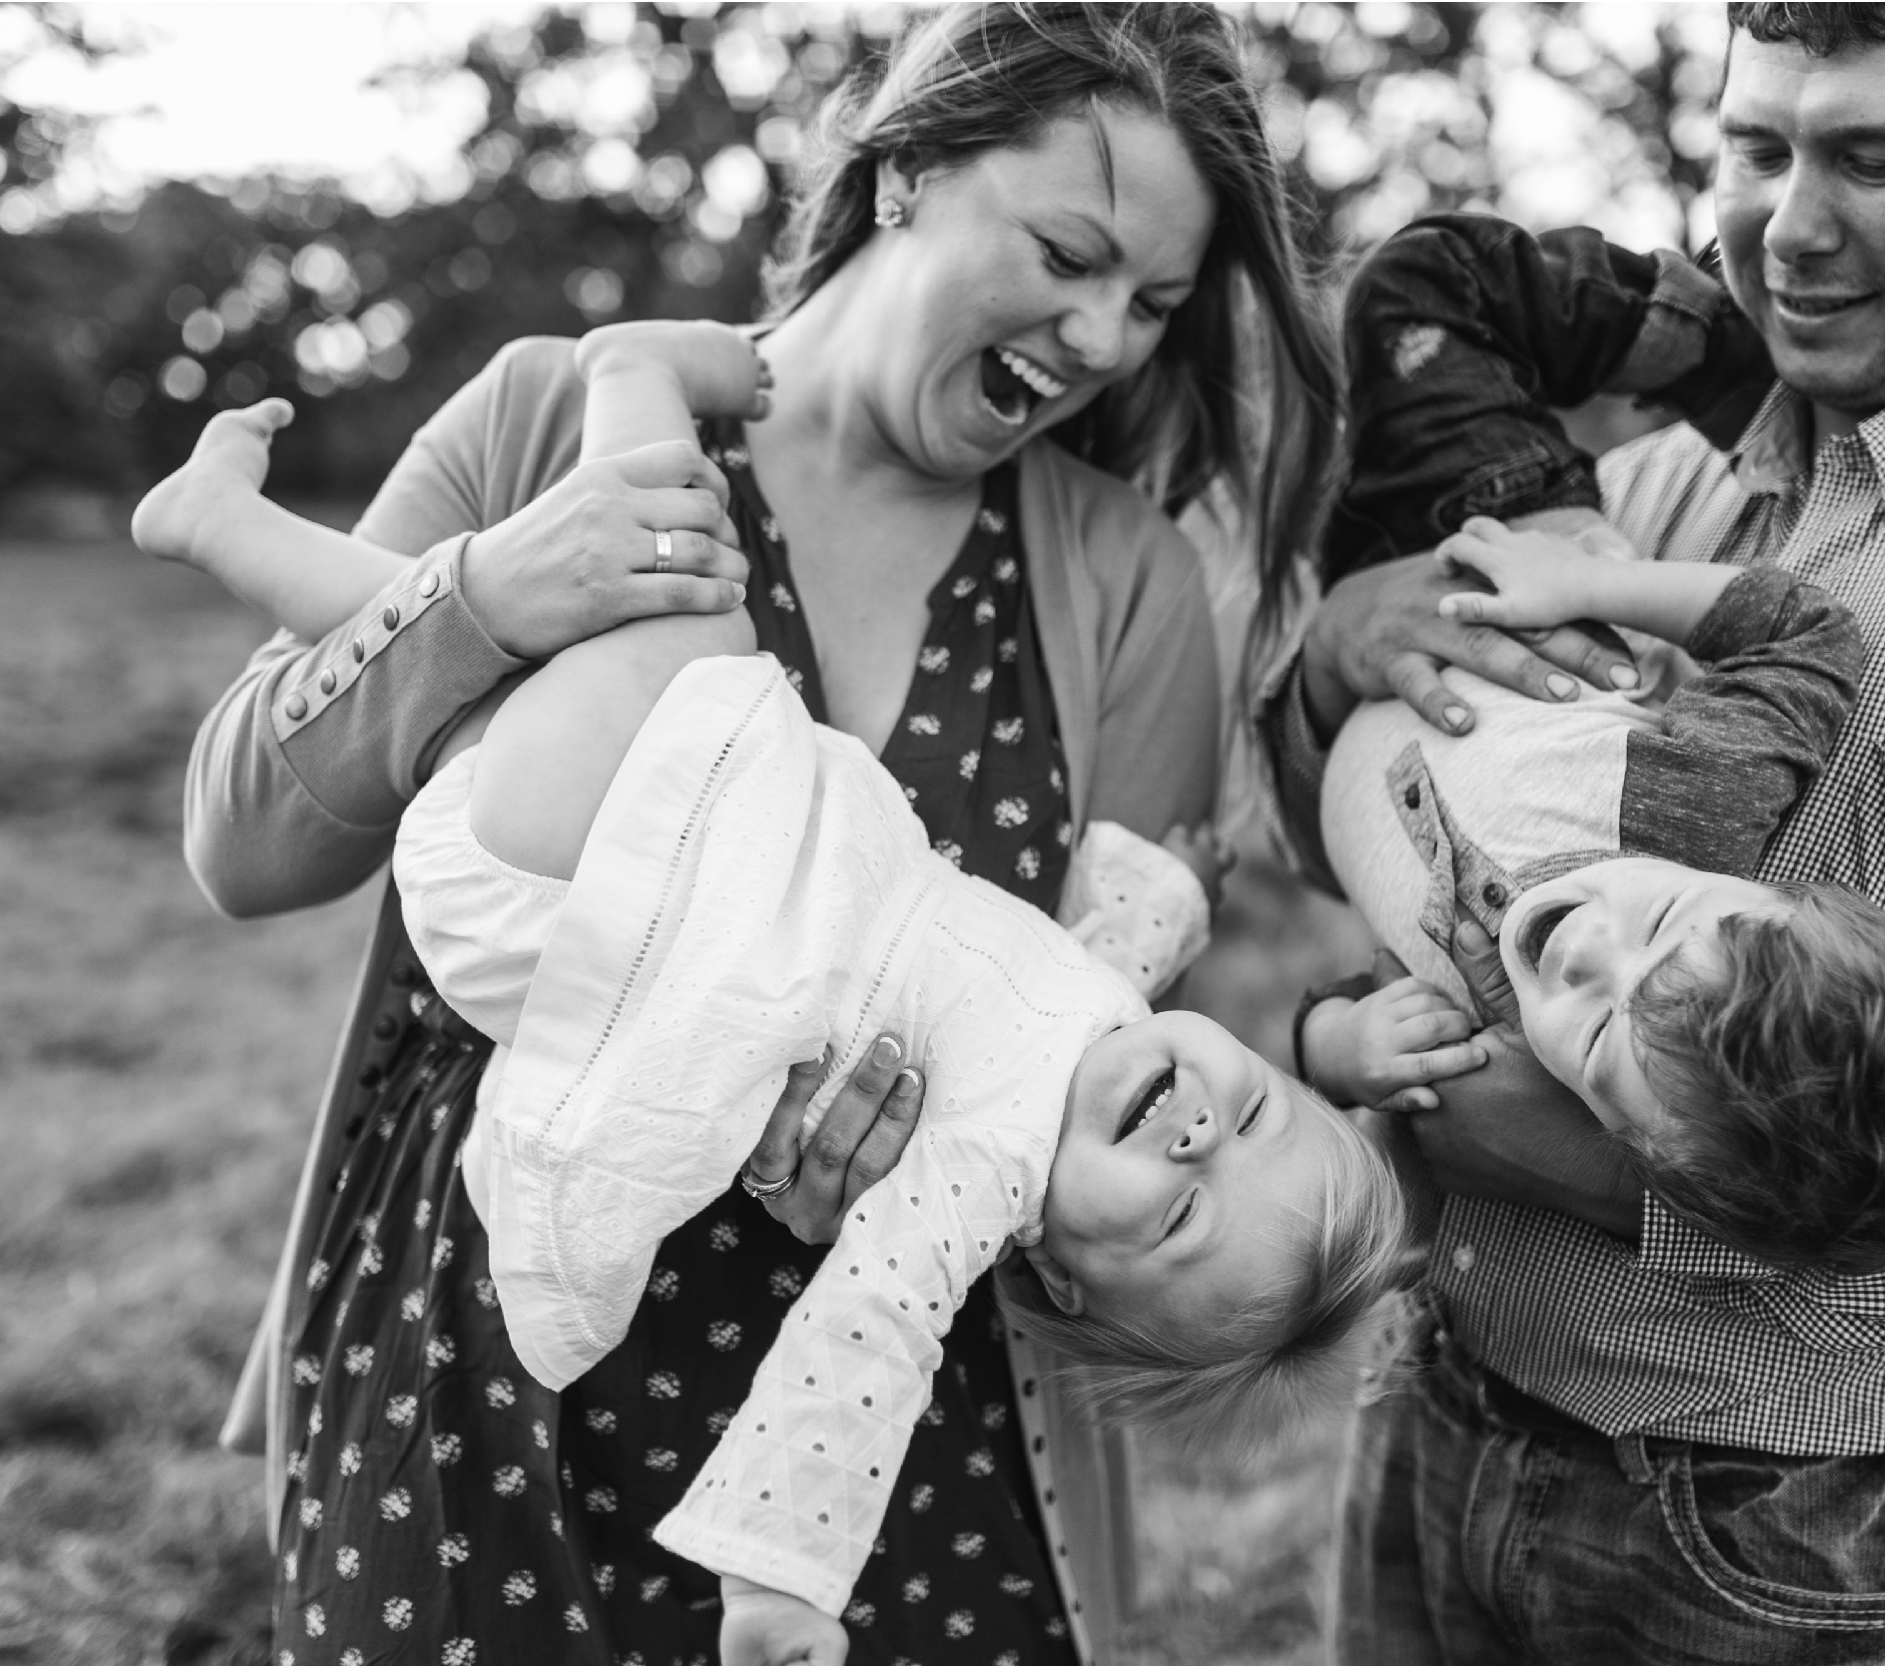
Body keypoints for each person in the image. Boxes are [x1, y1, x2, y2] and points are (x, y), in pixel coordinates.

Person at [181, 6, 1344, 1661]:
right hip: (484, 1369)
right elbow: (242, 841)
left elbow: (1089, 1062)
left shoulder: (1129, 580)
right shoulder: (546, 415)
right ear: (910, 169)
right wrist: (489, 598)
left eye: (1150, 304)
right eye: (1070, 254)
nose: (1098, 337)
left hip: (890, 1466)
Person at [1265, 5, 1885, 1661]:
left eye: (1871, 156)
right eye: (1754, 147)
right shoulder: (1650, 477)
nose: (1786, 225)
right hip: (1441, 1415)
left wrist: (1629, 1178)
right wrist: (1335, 666)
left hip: (1799, 1548)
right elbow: (1370, 835)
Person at [1304, 513, 1885, 1276]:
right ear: (1780, 891)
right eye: (1663, 920)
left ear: (1611, 1137)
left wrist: (1337, 1050)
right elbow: (1812, 634)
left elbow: (1362, 997)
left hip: (1315, 741)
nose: (1580, 954)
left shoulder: (1498, 1054)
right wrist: (1587, 583)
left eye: (1600, 1036)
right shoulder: (1696, 795)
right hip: (1480, 569)